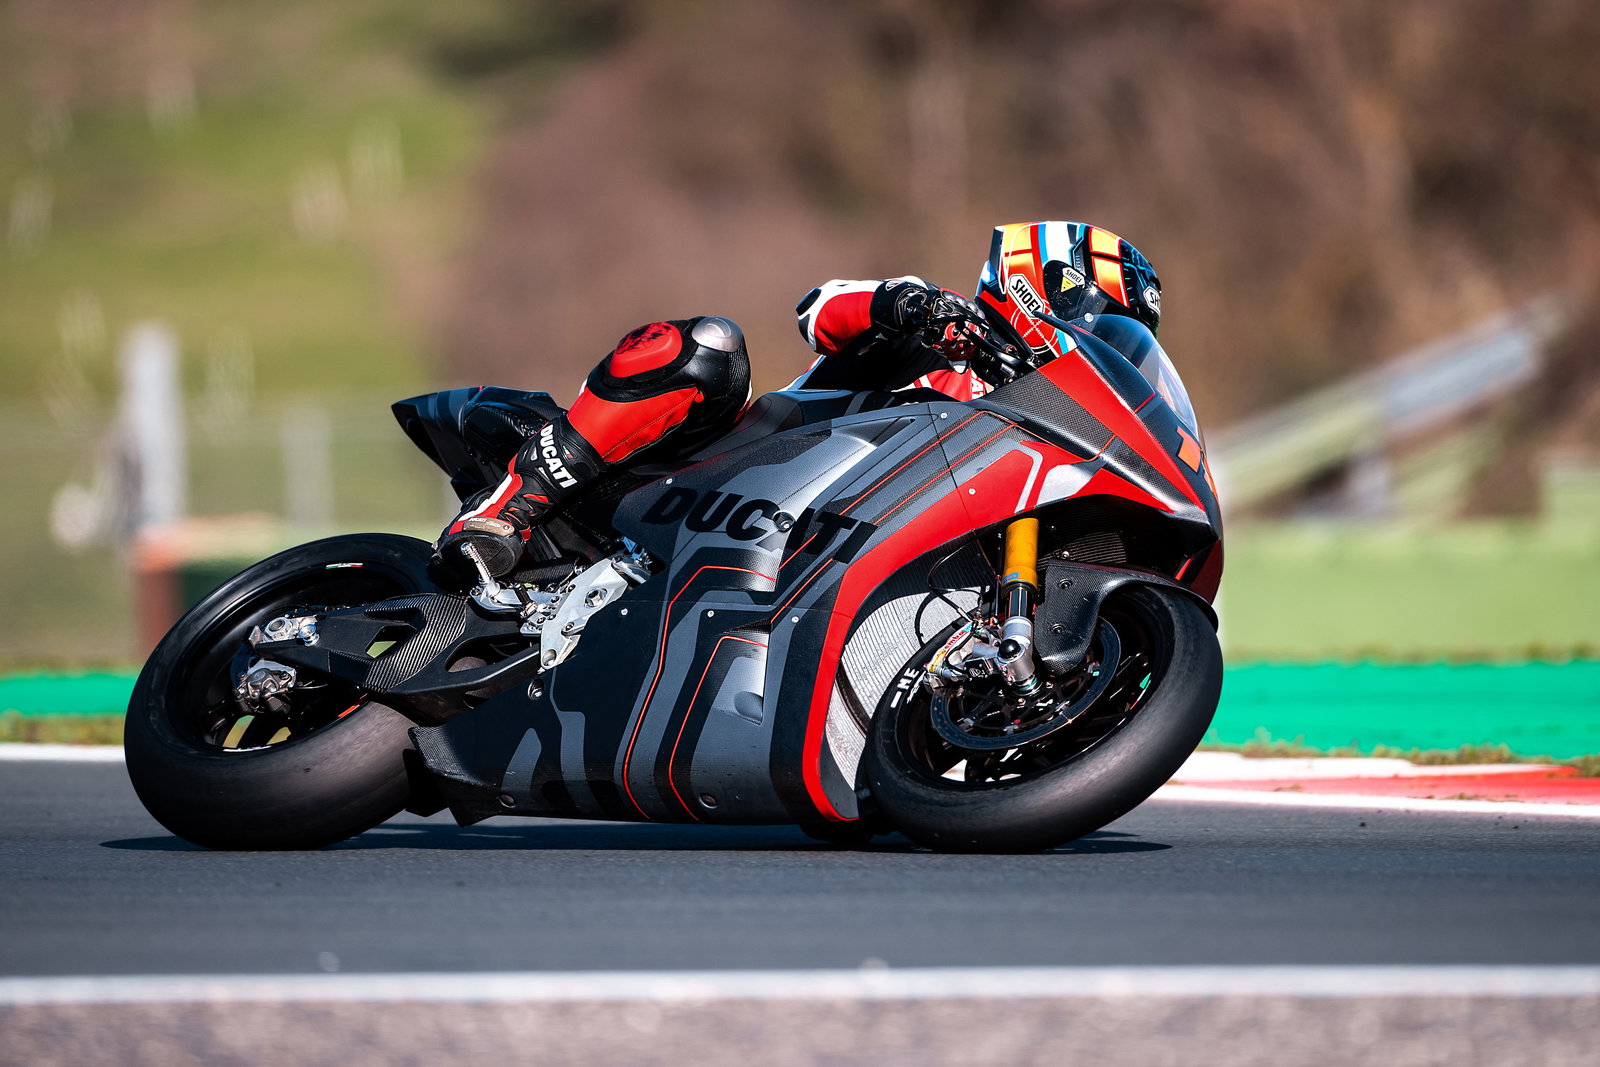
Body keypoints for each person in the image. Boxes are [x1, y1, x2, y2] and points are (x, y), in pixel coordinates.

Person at [436, 220, 1162, 581]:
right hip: (719, 476)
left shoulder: (1045, 430)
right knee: (709, 344)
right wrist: (912, 305)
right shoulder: (939, 331)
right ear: (1045, 277)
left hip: (808, 560)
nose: (1102, 332)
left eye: (1124, 330)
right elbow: (820, 309)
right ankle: (509, 507)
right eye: (1103, 312)